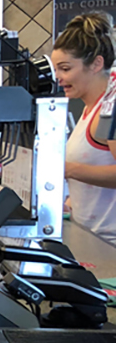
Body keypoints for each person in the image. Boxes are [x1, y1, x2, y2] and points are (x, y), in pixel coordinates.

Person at [52, 13, 116, 246]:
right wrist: (70, 203)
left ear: (96, 64)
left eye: (65, 68)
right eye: (56, 69)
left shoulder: (110, 108)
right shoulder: (90, 108)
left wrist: (69, 169)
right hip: (92, 237)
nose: (58, 77)